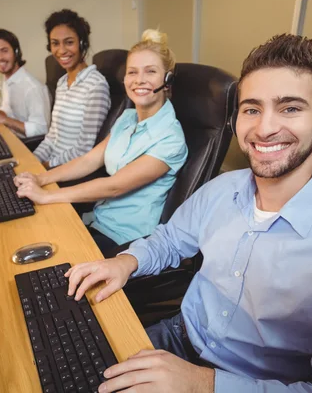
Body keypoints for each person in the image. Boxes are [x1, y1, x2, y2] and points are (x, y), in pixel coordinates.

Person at [64, 34, 312, 392]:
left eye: (290, 108)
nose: (264, 127)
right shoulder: (221, 189)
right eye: (251, 109)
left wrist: (202, 383)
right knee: (65, 369)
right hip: (178, 337)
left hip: (257, 383)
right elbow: (170, 239)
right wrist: (125, 262)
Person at [15, 29, 188, 255]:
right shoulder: (127, 118)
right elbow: (89, 160)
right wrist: (40, 177)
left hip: (126, 240)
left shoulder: (170, 138)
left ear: (167, 80)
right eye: (132, 72)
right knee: (28, 234)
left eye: (151, 72)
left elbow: (114, 186)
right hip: (98, 220)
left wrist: (46, 195)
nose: (139, 80)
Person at [33, 9, 111, 168]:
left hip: (69, 172)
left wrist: (47, 166)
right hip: (50, 168)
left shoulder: (96, 85)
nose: (61, 50)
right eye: (55, 43)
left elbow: (84, 149)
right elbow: (51, 138)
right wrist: (32, 161)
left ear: (82, 43)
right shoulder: (62, 83)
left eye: (69, 42)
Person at [0, 29, 50, 139]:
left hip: (28, 148)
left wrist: (3, 119)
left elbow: (41, 130)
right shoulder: (8, 79)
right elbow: (9, 111)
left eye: (4, 51)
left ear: (16, 52)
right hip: (12, 138)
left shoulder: (32, 88)